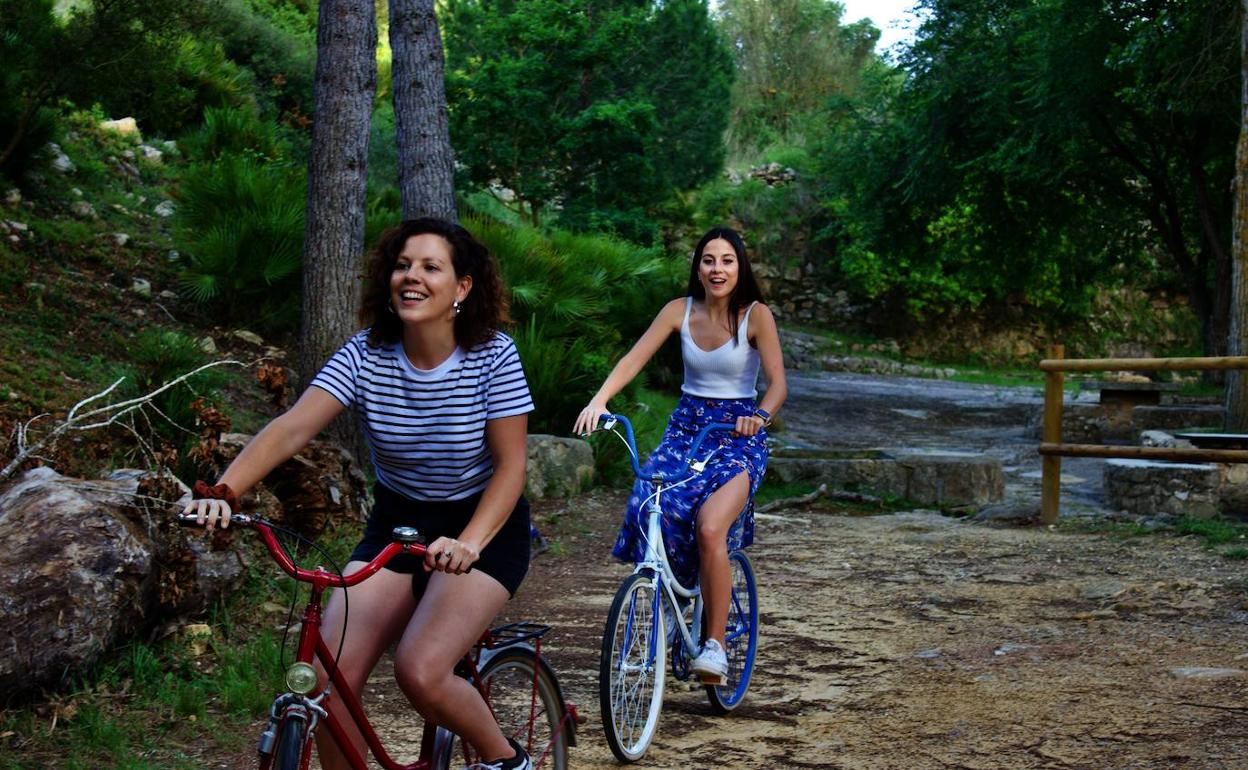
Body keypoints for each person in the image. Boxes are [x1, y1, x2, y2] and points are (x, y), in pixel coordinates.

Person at [183, 218, 535, 770]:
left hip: (483, 524)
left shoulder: (493, 356)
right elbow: (294, 426)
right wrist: (224, 491)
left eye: (429, 267)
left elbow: (512, 468)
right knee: (326, 679)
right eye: (402, 265)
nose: (411, 277)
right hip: (399, 524)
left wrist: (468, 541)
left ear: (462, 288)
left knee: (420, 671)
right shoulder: (366, 353)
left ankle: (505, 760)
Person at [573, 226, 786, 683]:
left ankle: (714, 646)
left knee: (711, 527)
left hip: (736, 436)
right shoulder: (679, 311)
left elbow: (778, 385)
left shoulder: (756, 316)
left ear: (739, 267)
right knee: (648, 501)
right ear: (698, 266)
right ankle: (667, 596)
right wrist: (600, 400)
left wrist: (760, 418)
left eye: (727, 260)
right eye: (708, 260)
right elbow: (634, 359)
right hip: (686, 430)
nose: (717, 269)